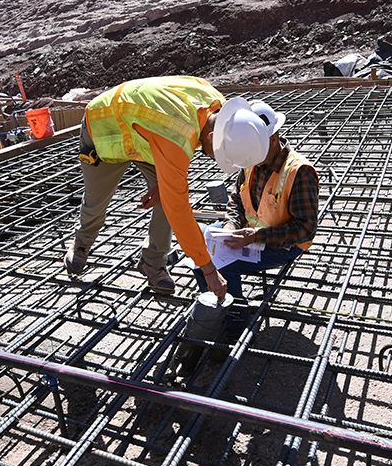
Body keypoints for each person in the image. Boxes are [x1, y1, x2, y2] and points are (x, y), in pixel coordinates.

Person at [65, 76, 270, 297]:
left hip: (145, 134)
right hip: (105, 128)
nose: (213, 159)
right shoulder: (176, 134)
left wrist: (165, 184)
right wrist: (209, 271)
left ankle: (153, 262)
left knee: (166, 197)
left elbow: (173, 182)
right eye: (217, 155)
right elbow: (180, 212)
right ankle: (81, 244)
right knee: (97, 200)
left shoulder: (217, 107)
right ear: (212, 136)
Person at [190, 99, 319, 348]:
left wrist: (257, 237)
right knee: (200, 256)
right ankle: (218, 305)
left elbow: (305, 229)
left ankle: (237, 326)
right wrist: (231, 225)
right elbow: (237, 198)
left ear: (272, 138)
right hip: (247, 233)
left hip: (283, 244)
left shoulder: (299, 172)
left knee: (224, 269)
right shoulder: (250, 155)